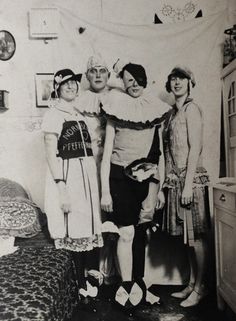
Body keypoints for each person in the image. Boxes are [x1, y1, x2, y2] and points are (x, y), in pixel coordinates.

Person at [100, 59, 170, 310]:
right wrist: (105, 191)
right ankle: (126, 286)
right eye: (127, 80)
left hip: (148, 180)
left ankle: (138, 286)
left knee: (141, 232)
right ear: (123, 83)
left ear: (144, 79)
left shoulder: (154, 109)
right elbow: (106, 155)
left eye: (137, 79)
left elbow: (159, 152)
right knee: (126, 232)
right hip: (120, 178)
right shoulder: (115, 108)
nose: (133, 84)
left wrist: (159, 187)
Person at [41, 69, 103, 306]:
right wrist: (61, 187)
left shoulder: (79, 113)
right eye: (65, 83)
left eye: (74, 83)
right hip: (68, 178)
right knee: (75, 229)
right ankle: (79, 290)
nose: (71, 87)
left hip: (86, 178)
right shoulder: (54, 114)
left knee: (88, 228)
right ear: (57, 88)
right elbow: (50, 153)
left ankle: (91, 287)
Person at [162, 66, 210, 307]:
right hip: (177, 181)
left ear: (190, 83)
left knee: (197, 237)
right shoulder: (171, 114)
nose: (177, 82)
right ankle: (192, 283)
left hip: (191, 181)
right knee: (187, 238)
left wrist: (188, 184)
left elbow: (195, 149)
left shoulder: (192, 109)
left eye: (181, 78)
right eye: (173, 78)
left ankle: (201, 288)